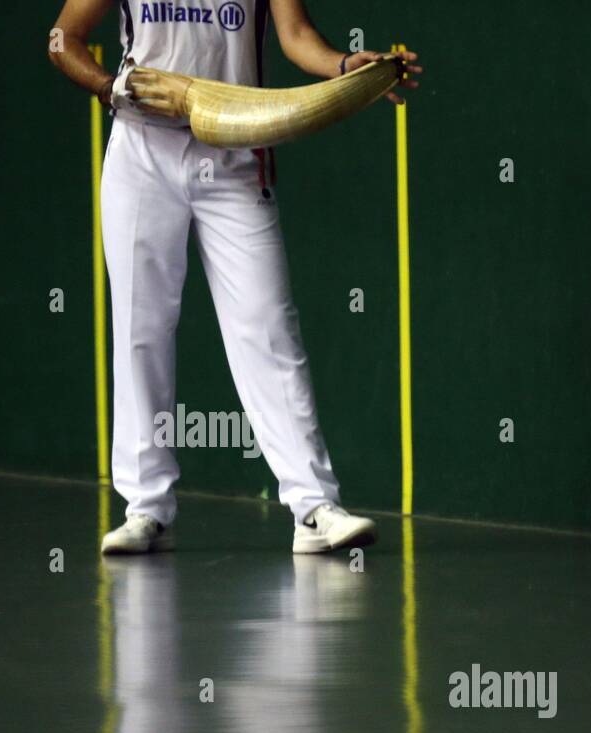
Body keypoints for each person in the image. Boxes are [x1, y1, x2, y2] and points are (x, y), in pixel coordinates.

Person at [48, 0, 421, 554]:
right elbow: (62, 39)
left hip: (235, 155)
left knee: (268, 327)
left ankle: (314, 508)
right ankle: (146, 508)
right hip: (142, 154)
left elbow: (295, 35)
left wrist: (346, 69)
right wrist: (109, 87)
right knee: (139, 330)